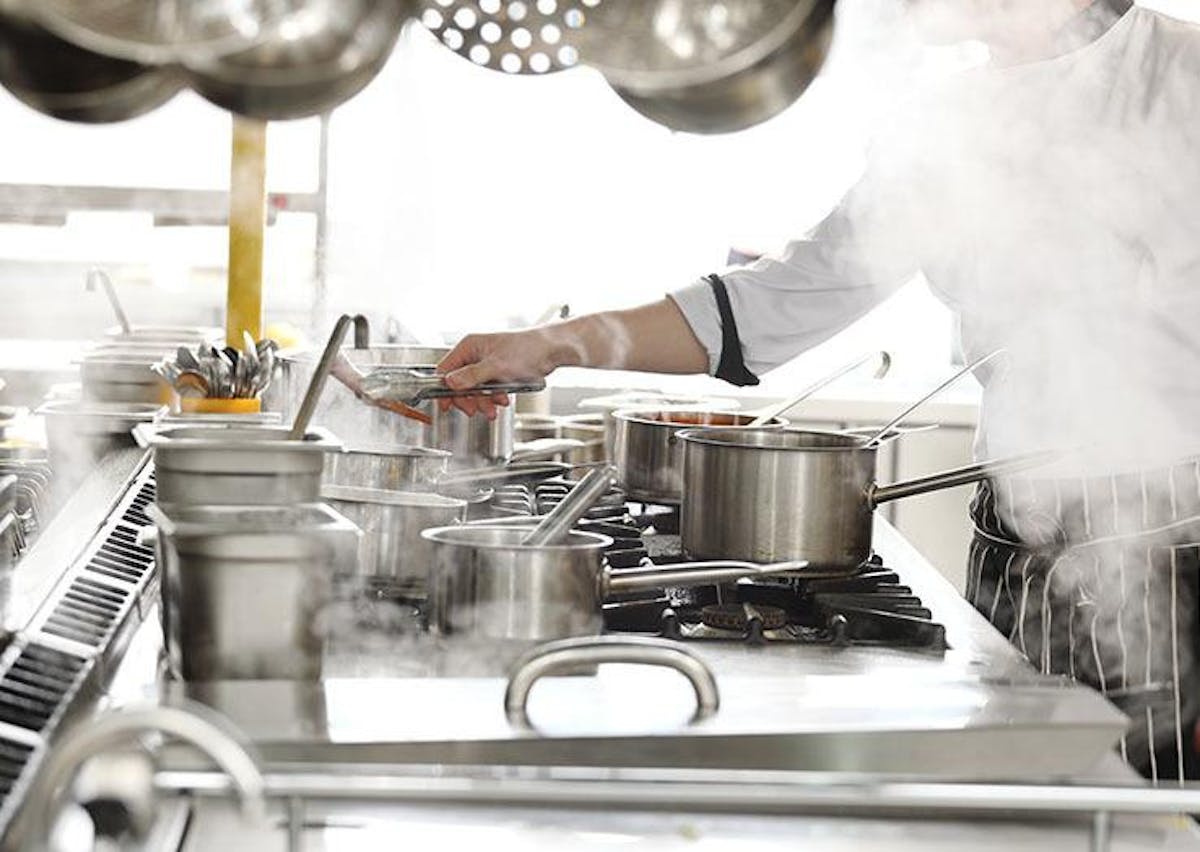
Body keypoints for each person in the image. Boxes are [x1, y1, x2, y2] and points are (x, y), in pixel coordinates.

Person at [436, 0, 1200, 781]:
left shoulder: (1184, 77)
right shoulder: (948, 124)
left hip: (1167, 538)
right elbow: (791, 293)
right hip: (1009, 532)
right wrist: (552, 344)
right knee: (1024, 800)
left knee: (1148, 808)